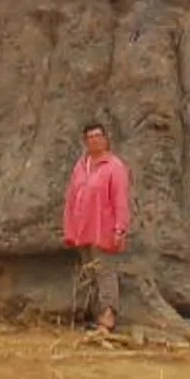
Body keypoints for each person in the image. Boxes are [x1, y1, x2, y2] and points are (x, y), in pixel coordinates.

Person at [61, 122, 132, 334]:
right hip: (83, 229)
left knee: (105, 272)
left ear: (106, 139)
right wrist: (69, 227)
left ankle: (108, 318)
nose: (94, 140)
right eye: (90, 137)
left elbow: (120, 199)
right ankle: (94, 315)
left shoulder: (114, 166)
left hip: (104, 228)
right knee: (90, 273)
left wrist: (120, 228)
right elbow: (72, 197)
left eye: (98, 136)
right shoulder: (81, 166)